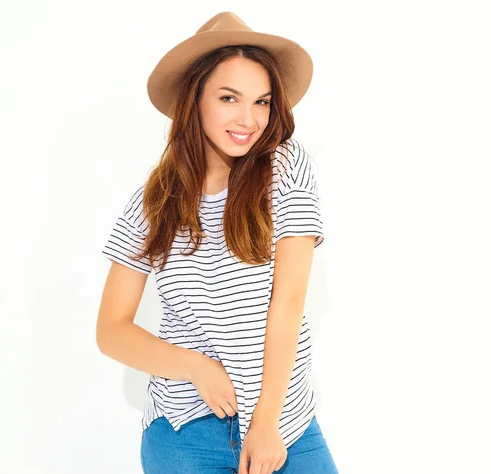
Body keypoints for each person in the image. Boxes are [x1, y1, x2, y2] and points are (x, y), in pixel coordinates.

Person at [97, 11, 339, 474]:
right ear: (196, 100)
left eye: (262, 102)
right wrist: (194, 366)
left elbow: (287, 302)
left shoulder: (285, 167)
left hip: (285, 424)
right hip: (186, 432)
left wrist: (266, 421)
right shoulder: (154, 202)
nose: (248, 119)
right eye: (229, 98)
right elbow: (111, 329)